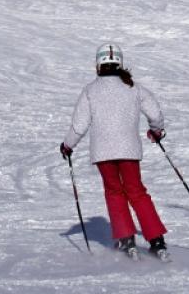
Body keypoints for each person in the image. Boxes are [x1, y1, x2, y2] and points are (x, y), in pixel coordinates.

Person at [59, 43, 170, 260]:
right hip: (129, 150)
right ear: (120, 62)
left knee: (114, 192)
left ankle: (126, 239)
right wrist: (156, 131)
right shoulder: (133, 88)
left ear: (98, 64)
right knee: (137, 192)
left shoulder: (90, 90)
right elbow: (155, 114)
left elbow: (79, 126)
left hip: (103, 152)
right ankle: (157, 241)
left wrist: (67, 145)